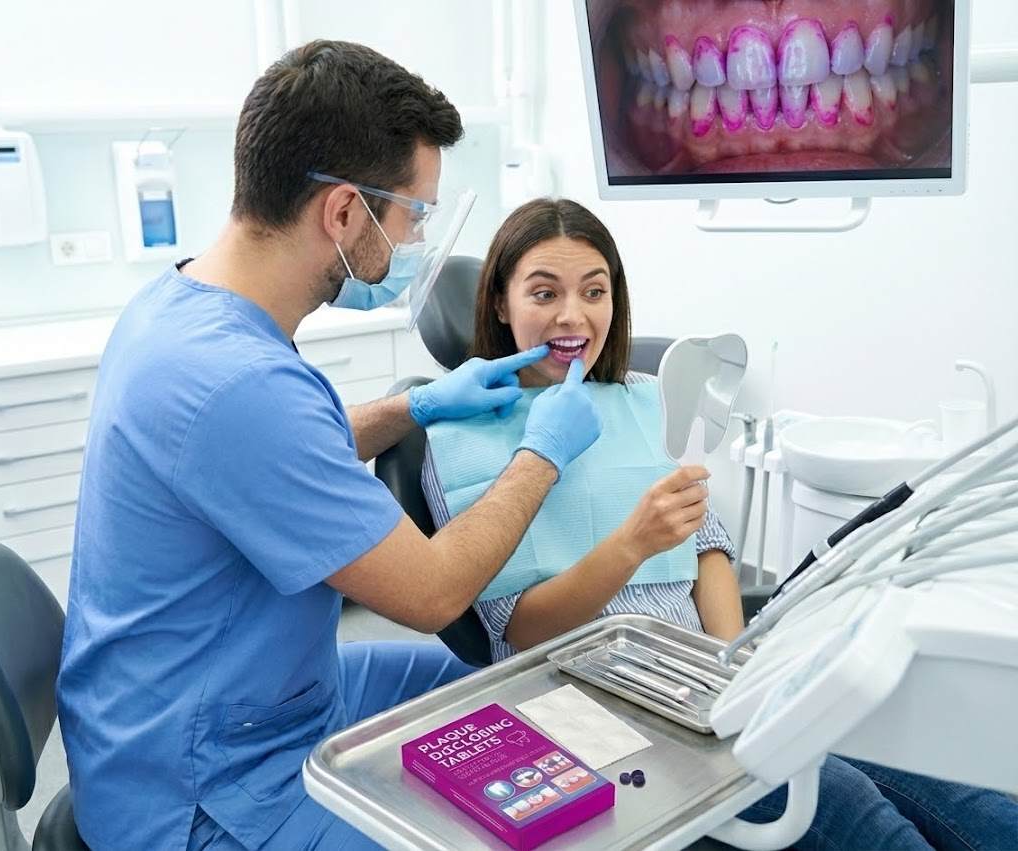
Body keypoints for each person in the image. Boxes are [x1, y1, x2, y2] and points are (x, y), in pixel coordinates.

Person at [56, 43, 603, 851]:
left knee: (504, 695)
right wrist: (543, 454)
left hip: (248, 690)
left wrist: (415, 406)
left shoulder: (180, 307)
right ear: (344, 213)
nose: (417, 238)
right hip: (202, 781)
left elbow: (272, 462)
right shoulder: (239, 380)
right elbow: (432, 593)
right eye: (414, 213)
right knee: (513, 822)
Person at [420, 197, 1018, 850]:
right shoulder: (460, 443)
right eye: (545, 292)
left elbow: (706, 543)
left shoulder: (639, 398)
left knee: (940, 772)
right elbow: (519, 630)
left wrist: (731, 672)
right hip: (592, 702)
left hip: (708, 674)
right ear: (501, 303)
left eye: (595, 290)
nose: (573, 314)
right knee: (856, 811)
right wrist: (630, 545)